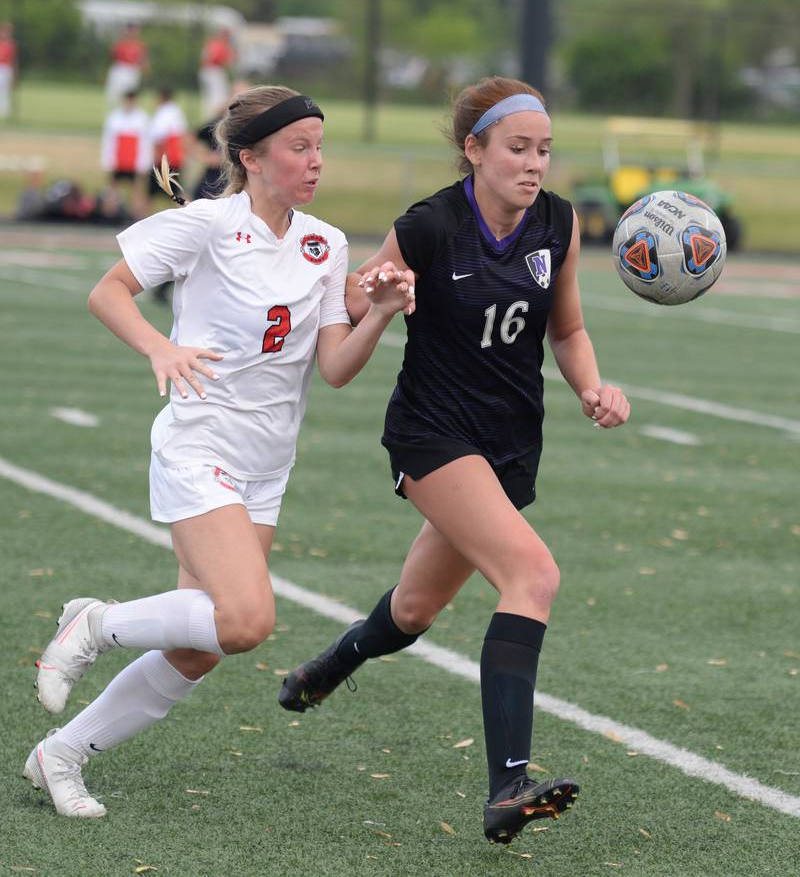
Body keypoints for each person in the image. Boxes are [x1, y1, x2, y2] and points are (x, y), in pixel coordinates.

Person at [23, 84, 414, 818]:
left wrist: (383, 314)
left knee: (201, 646)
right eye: (298, 148)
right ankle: (97, 623)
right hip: (197, 444)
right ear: (250, 157)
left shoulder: (325, 245)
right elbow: (108, 292)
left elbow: (333, 369)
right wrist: (160, 347)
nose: (315, 161)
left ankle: (62, 753)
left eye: (319, 147)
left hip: (266, 466)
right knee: (244, 620)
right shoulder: (205, 224)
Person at [278, 76, 631, 844]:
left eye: (543, 149)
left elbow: (566, 332)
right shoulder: (432, 225)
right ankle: (509, 784)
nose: (534, 163)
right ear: (474, 150)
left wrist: (593, 386)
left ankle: (322, 670)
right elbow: (350, 296)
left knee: (413, 610)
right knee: (532, 574)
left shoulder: (558, 224)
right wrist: (380, 293)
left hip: (508, 442)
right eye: (517, 148)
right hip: (434, 435)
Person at [100, 89, 151, 219]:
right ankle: (109, 217)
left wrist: (144, 163)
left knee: (137, 191)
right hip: (118, 160)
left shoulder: (142, 118)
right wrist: (107, 160)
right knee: (112, 190)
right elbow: (108, 141)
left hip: (134, 162)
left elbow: (145, 143)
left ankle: (136, 217)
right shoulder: (114, 117)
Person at [105, 23, 148, 106]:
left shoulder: (140, 45)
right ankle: (114, 112)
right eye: (130, 30)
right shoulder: (120, 43)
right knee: (115, 93)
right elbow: (112, 56)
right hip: (120, 68)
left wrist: (144, 70)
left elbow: (143, 60)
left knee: (130, 93)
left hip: (132, 70)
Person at [199, 27, 236, 119]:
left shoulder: (213, 43)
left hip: (208, 71)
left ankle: (210, 117)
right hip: (214, 71)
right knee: (218, 98)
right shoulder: (220, 45)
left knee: (211, 97)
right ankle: (213, 118)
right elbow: (219, 60)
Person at [0, 21, 17, 120]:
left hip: (6, 68)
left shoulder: (11, 44)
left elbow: (14, 60)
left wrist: (15, 74)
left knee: (5, 91)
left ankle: (5, 111)